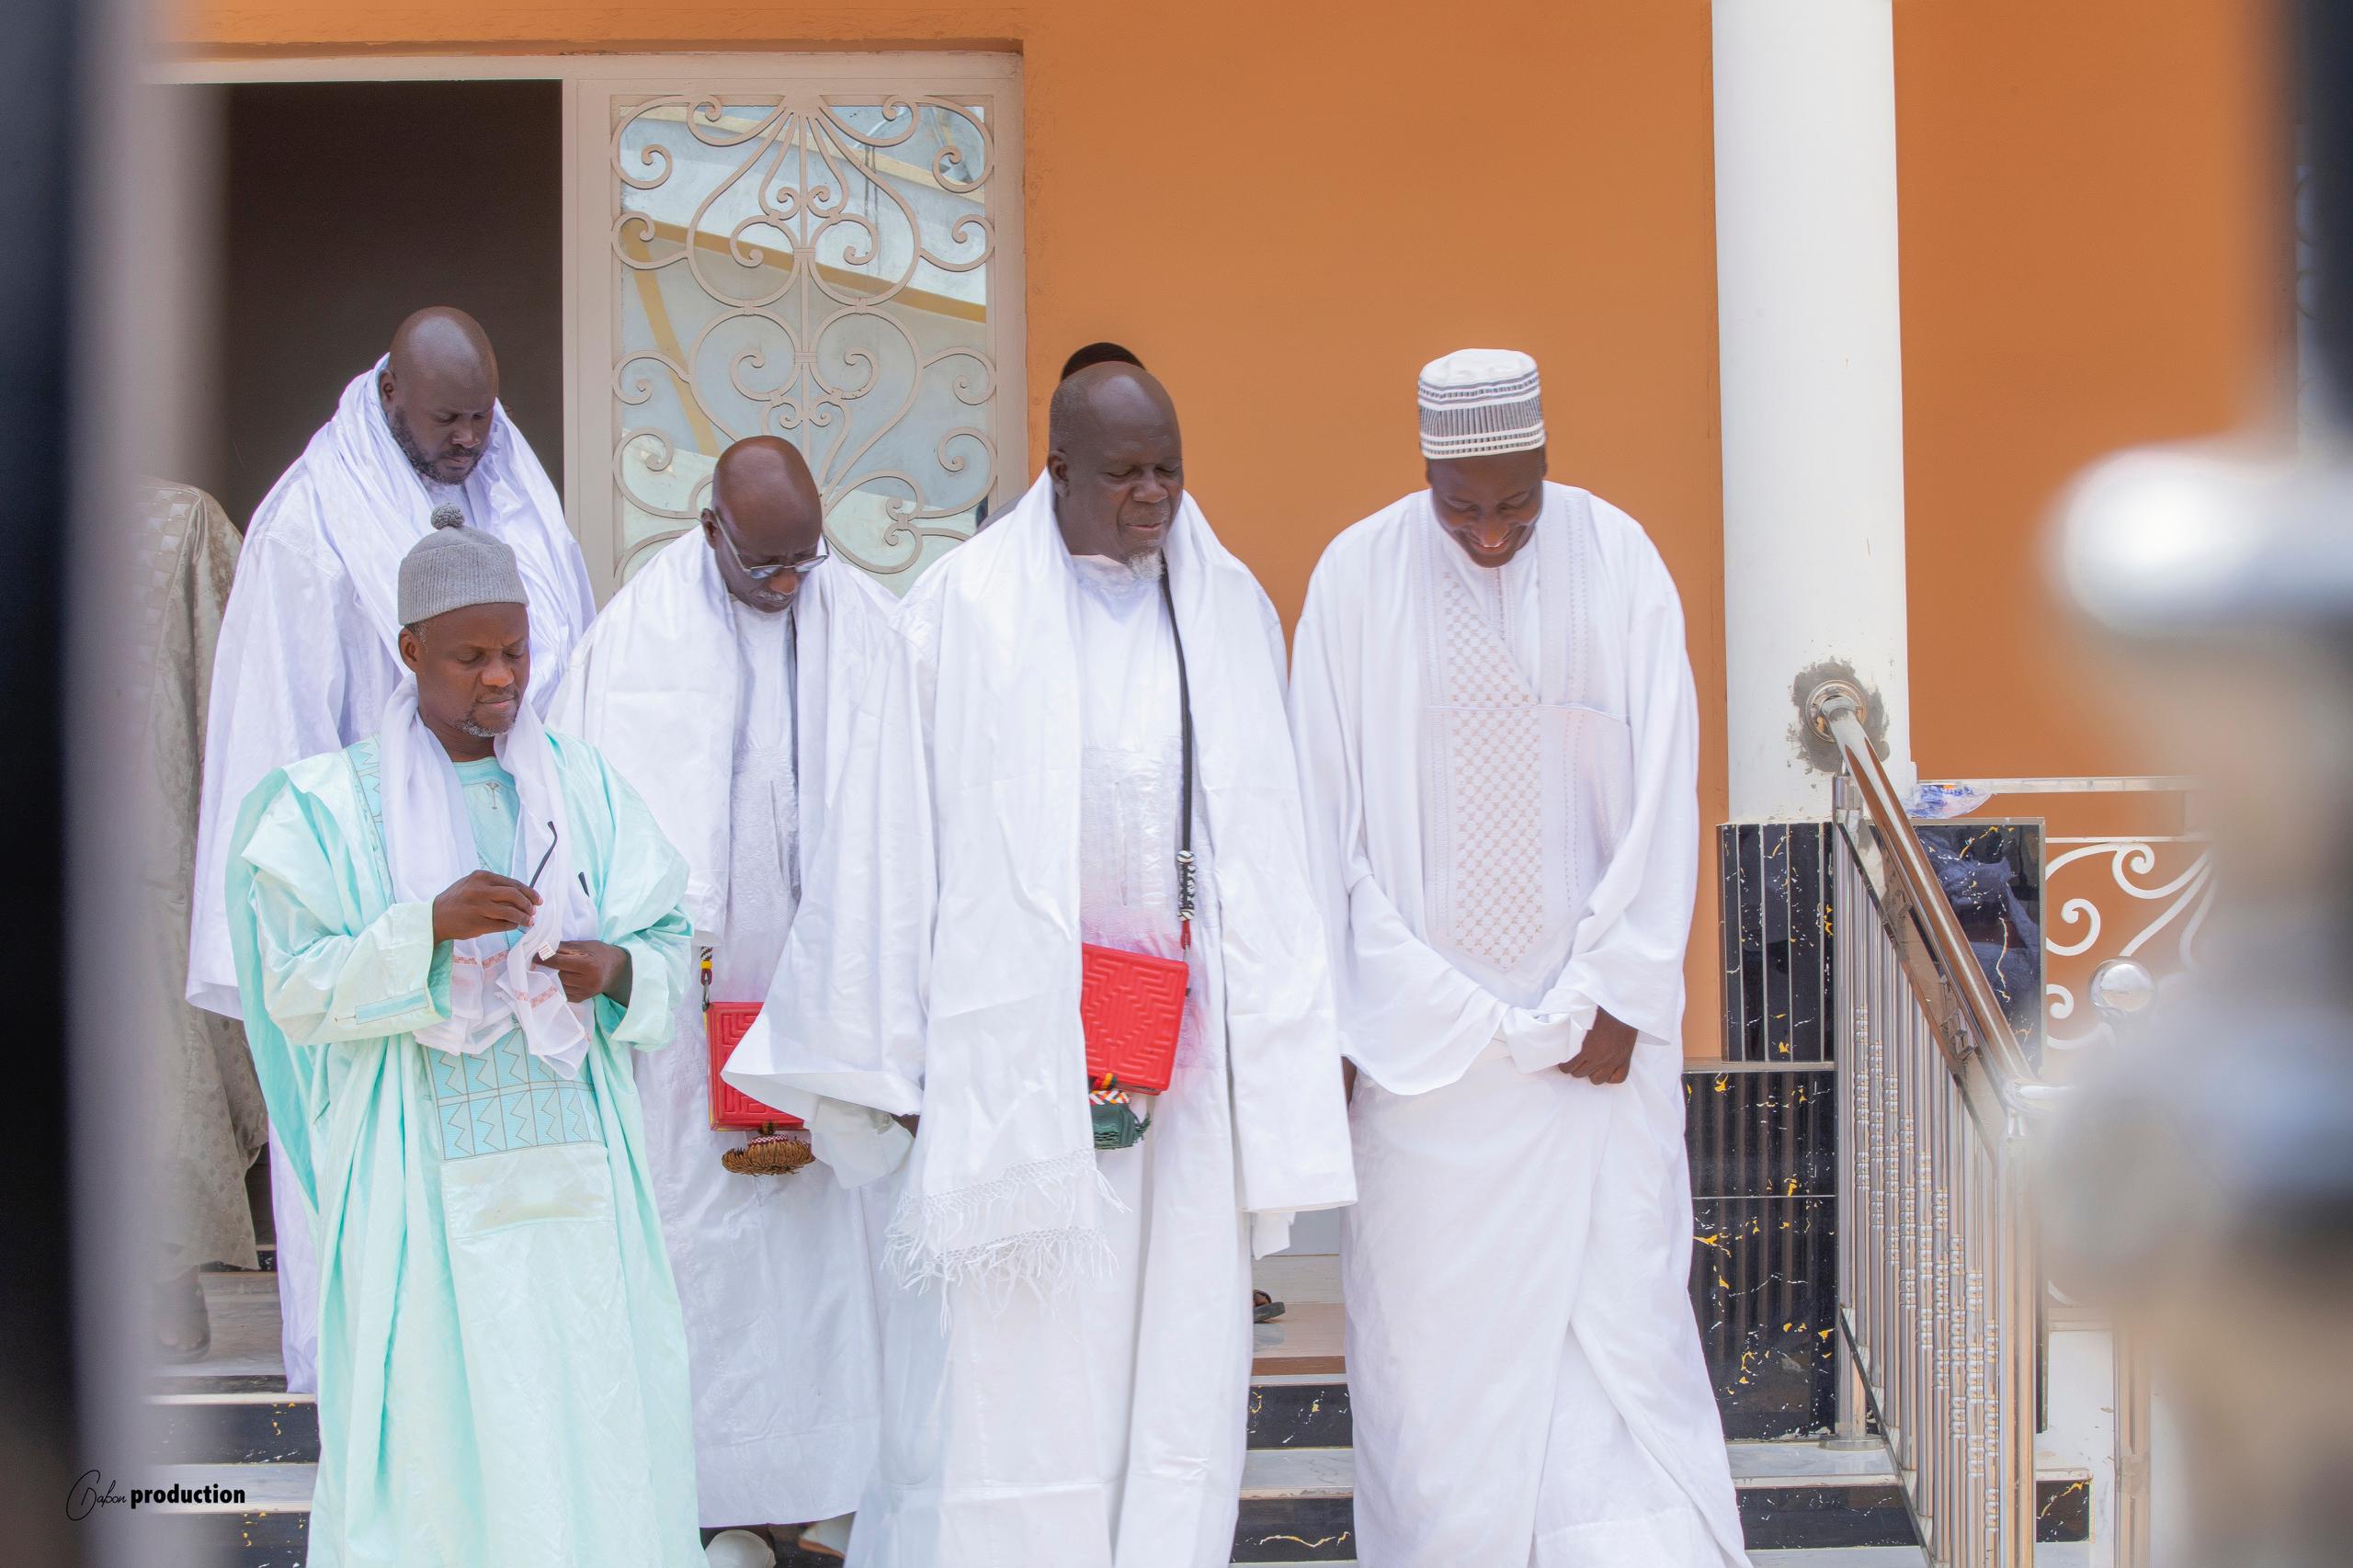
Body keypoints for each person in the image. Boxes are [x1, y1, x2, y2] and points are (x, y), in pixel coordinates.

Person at [722, 363, 1357, 1568]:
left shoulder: (1227, 614)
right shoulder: (958, 612)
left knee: (1170, 1387)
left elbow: (1272, 848)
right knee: (1004, 1403)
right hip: (1007, 1082)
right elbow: (886, 850)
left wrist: (1289, 1035)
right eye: (1126, 472)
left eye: (1170, 468)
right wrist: (882, 1071)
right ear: (1057, 471)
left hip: (1178, 1083)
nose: (1155, 495)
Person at [1288, 349, 1745, 1567]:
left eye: (1516, 508)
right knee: (1438, 1377)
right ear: (1425, 469)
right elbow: (1321, 824)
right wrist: (1384, 1013)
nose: (1491, 537)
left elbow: (1664, 797)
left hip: (1596, 1062)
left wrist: (1621, 996)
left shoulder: (1620, 561)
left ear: (1548, 462)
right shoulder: (1355, 578)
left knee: (1618, 1353)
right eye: (1464, 508)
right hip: (1421, 1070)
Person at [225, 516, 700, 1567]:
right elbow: (293, 985)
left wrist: (612, 969)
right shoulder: (331, 807)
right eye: (472, 654)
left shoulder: (581, 785)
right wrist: (422, 929)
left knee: (590, 1414)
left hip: (578, 1180)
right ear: (409, 652)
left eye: (516, 651)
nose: (501, 677)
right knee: (446, 1439)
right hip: (421, 1186)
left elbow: (666, 936)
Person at [187, 306, 597, 1392]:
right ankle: (384, 1390)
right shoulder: (309, 524)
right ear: (390, 398)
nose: (470, 438)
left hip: (515, 868)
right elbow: (281, 738)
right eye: (447, 417)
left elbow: (563, 675)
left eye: (481, 415)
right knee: (386, 1181)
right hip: (380, 898)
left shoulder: (517, 487)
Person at [548, 437, 906, 1562]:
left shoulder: (868, 625)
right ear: (711, 531)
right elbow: (587, 830)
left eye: (809, 558)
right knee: (704, 1254)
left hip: (833, 996)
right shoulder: (631, 640)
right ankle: (715, 1501)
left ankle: (841, 1487)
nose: (794, 585)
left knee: (838, 1253)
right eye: (767, 565)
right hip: (686, 1015)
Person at [137, 480, 269, 1360]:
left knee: (152, 1064)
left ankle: (161, 1274)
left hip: (139, 851)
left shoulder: (171, 525)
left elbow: (242, 683)